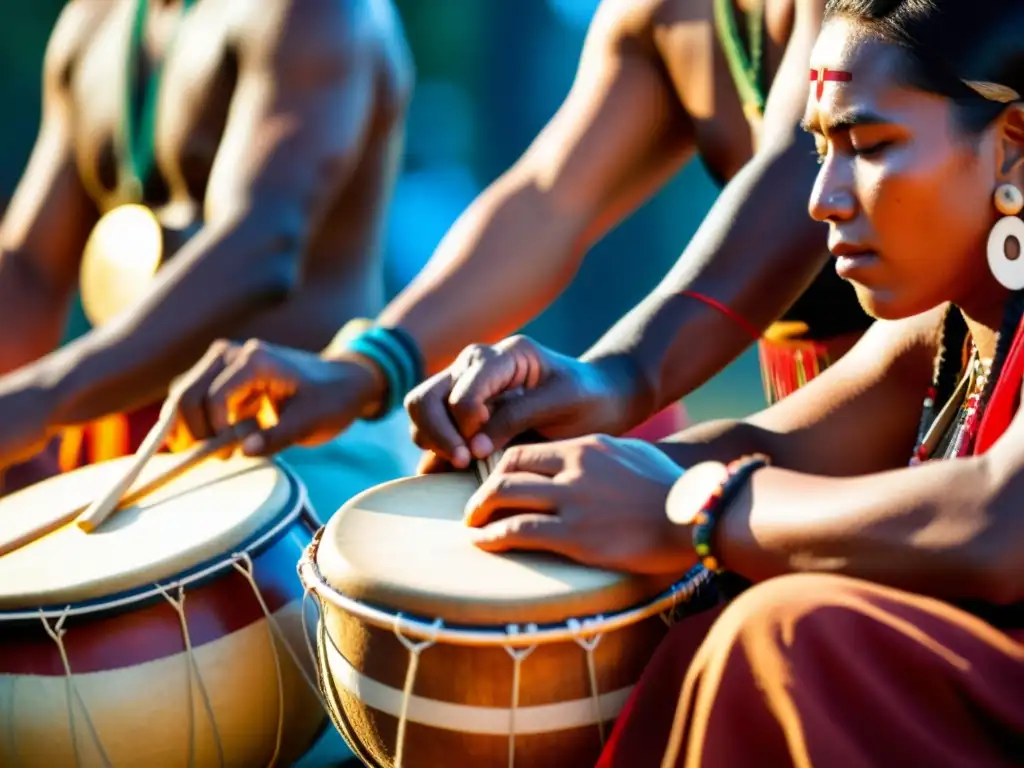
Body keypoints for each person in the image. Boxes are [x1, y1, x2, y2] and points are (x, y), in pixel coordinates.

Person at [432, 0, 1024, 763]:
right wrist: (542, 463)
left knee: (784, 636)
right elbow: (766, 442)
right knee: (702, 635)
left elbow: (1000, 522)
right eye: (821, 152)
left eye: (871, 145)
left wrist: (693, 509)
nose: (823, 199)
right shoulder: (946, 322)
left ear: (1012, 149)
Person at [146, 0, 875, 477]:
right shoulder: (670, 17)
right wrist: (367, 365)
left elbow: (793, 163)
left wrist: (619, 380)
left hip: (947, 448)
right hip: (811, 445)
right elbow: (549, 199)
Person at [0, 0, 419, 514]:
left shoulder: (317, 11)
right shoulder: (95, 18)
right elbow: (30, 268)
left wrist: (36, 403)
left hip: (295, 445)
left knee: (296, 593)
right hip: (120, 444)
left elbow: (262, 242)